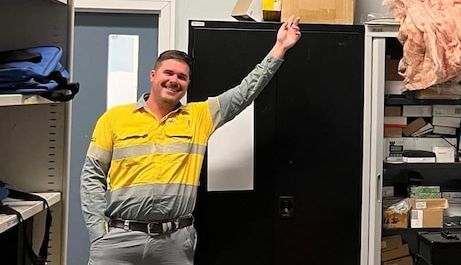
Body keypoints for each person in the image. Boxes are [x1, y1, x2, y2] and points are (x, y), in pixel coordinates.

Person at [80, 17, 302, 265]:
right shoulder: (114, 118)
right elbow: (92, 176)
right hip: (119, 241)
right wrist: (98, 232)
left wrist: (279, 48)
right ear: (153, 75)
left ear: (186, 84)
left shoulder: (199, 116)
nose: (174, 80)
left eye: (182, 77)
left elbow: (245, 92)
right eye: (168, 73)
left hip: (174, 242)